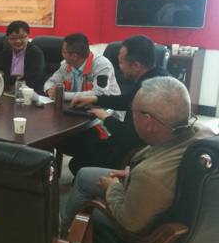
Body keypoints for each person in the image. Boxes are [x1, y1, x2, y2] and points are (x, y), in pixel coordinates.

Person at [60, 76, 215, 234]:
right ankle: (64, 225)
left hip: (142, 234)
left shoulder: (149, 174)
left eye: (133, 113)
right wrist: (131, 176)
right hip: (160, 199)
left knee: (88, 207)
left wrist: (112, 189)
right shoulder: (204, 133)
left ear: (148, 122)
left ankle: (65, 232)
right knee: (84, 175)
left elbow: (129, 223)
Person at [66, 35, 171, 175]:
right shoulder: (156, 76)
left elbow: (127, 135)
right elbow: (126, 100)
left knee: (77, 162)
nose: (119, 68)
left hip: (128, 152)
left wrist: (105, 117)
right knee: (84, 144)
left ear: (136, 66)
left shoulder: (149, 91)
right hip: (134, 144)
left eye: (121, 63)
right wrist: (95, 99)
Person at [44, 32, 120, 101]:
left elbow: (99, 94)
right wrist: (49, 90)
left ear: (74, 56)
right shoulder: (65, 65)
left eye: (63, 52)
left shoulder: (102, 65)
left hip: (107, 108)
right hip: (78, 107)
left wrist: (61, 95)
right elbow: (51, 82)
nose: (62, 54)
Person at [0, 20, 46, 90]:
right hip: (6, 90)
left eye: (22, 37)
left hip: (29, 92)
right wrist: (16, 78)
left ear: (28, 36)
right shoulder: (5, 52)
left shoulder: (36, 54)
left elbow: (29, 82)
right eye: (13, 38)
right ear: (8, 39)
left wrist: (5, 77)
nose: (18, 41)